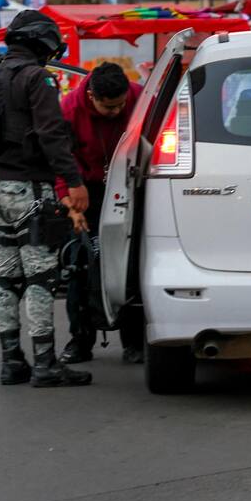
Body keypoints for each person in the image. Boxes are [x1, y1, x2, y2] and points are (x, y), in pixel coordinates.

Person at [0, 10, 93, 387]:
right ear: (41, 42)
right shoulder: (35, 78)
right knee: (41, 276)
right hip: (28, 187)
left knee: (7, 277)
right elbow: (52, 133)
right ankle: (45, 362)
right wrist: (73, 181)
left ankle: (12, 361)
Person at [55, 62, 144, 365]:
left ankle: (134, 342)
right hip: (84, 189)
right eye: (108, 107)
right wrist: (69, 202)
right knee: (82, 265)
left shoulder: (140, 98)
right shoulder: (68, 109)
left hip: (129, 185)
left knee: (132, 264)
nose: (116, 112)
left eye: (120, 105)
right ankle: (80, 341)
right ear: (91, 95)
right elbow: (59, 160)